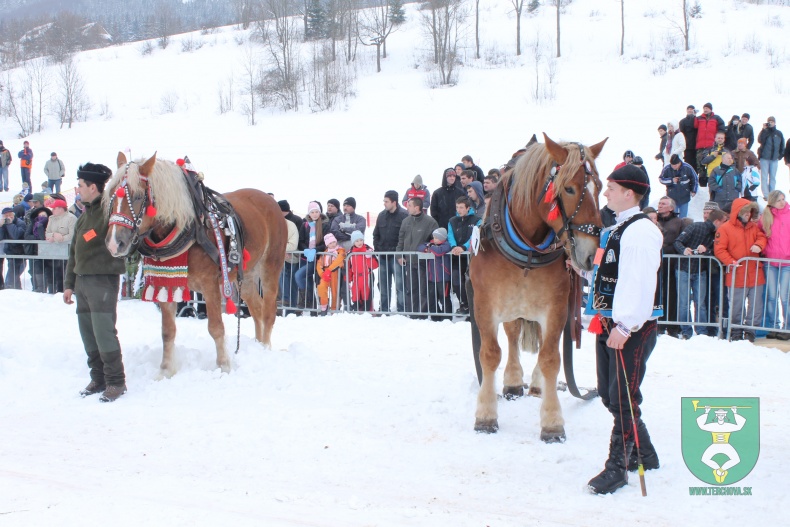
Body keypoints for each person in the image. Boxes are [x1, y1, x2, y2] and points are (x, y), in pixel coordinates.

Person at [577, 164, 662, 495]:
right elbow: (608, 275)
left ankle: (617, 467)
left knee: (624, 398)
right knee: (611, 395)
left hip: (630, 326)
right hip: (610, 321)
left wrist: (626, 326)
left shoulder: (640, 232)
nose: (605, 193)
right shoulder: (617, 228)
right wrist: (581, 272)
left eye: (610, 188)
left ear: (629, 194)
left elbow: (638, 282)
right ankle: (646, 453)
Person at [64, 163, 128, 402]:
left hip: (102, 281)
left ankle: (115, 381)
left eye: (80, 185)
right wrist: (69, 283)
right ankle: (98, 378)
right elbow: (73, 252)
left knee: (103, 333)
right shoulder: (84, 216)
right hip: (82, 283)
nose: (77, 189)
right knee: (88, 334)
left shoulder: (109, 213)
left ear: (93, 187)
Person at [713, 198, 767, 342]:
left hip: (755, 273)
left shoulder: (754, 227)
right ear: (738, 212)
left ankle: (751, 330)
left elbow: (762, 238)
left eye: (750, 212)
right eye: (745, 211)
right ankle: (736, 330)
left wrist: (759, 245)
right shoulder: (725, 229)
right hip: (736, 273)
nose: (748, 215)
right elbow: (719, 249)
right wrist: (731, 262)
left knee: (755, 306)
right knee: (736, 305)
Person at [673, 209, 728, 339]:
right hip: (684, 268)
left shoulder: (718, 234)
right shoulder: (695, 226)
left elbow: (716, 252)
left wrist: (707, 250)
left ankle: (701, 331)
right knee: (684, 302)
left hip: (700, 270)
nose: (725, 224)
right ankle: (686, 330)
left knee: (701, 302)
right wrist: (684, 250)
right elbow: (678, 241)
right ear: (717, 221)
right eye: (724, 221)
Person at [397, 197, 438, 317]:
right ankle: (413, 313)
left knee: (423, 289)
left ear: (417, 207)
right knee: (411, 289)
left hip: (423, 262)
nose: (407, 207)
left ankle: (423, 314)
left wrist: (427, 248)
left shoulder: (430, 222)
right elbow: (400, 241)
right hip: (409, 261)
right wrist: (399, 255)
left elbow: (436, 240)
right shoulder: (405, 221)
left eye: (409, 205)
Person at [760, 190, 790, 340]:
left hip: (786, 261)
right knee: (772, 296)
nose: (782, 202)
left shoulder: (789, 215)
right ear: (772, 202)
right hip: (771, 261)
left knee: (785, 296)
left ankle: (787, 327)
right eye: (779, 200)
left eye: (783, 199)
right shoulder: (765, 216)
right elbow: (759, 235)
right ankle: (773, 325)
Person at [373, 190, 408, 313]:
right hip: (383, 255)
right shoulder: (381, 215)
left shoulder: (404, 215)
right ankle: (383, 308)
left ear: (394, 202)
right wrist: (377, 248)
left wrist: (401, 253)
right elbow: (375, 234)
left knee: (400, 284)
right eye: (384, 201)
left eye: (386, 201)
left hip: (397, 256)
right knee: (383, 284)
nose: (384, 204)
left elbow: (406, 237)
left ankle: (402, 308)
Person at [448, 196, 481, 315]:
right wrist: (454, 247)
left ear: (468, 208)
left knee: (470, 281)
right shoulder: (452, 220)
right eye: (457, 207)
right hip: (457, 256)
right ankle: (464, 303)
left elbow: (474, 236)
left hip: (471, 257)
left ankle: (472, 306)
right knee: (456, 280)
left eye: (461, 207)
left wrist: (463, 247)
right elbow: (450, 235)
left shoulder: (477, 220)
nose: (459, 210)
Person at [295, 203, 330, 311]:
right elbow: (300, 241)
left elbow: (326, 242)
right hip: (306, 258)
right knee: (304, 279)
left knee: (317, 283)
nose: (314, 214)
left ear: (320, 212)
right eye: (312, 212)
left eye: (316, 212)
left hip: (319, 259)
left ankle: (320, 306)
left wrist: (315, 250)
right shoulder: (305, 224)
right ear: (309, 213)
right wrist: (306, 250)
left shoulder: (325, 224)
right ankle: (311, 305)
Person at [417, 227, 453, 321]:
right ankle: (435, 317)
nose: (434, 239)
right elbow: (420, 247)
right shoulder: (431, 243)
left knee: (444, 298)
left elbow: (439, 252)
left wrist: (430, 248)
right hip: (432, 277)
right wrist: (428, 247)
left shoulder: (446, 245)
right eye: (434, 237)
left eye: (437, 238)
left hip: (444, 278)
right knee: (432, 297)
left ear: (442, 238)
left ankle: (447, 317)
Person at [347, 230, 378, 312]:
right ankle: (357, 309)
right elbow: (349, 268)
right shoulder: (350, 253)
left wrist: (369, 258)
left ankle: (368, 309)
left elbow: (375, 265)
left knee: (367, 294)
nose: (359, 242)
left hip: (367, 276)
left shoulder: (368, 250)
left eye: (361, 240)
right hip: (356, 277)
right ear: (353, 242)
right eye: (357, 241)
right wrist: (348, 279)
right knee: (355, 294)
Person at [658, 154, 698, 218]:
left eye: (675, 165)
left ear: (679, 163)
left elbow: (695, 179)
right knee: (674, 218)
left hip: (685, 197)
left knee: (683, 217)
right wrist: (671, 180)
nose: (674, 167)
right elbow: (661, 179)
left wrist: (693, 190)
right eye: (672, 165)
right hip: (672, 198)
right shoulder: (667, 168)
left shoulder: (687, 167)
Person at [24, 203, 52, 293]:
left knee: (49, 271)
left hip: (48, 252)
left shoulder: (50, 223)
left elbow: (44, 237)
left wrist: (40, 228)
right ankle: (38, 288)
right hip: (35, 252)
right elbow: (27, 236)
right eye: (40, 215)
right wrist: (37, 238)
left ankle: (50, 290)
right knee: (35, 271)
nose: (42, 217)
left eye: (44, 215)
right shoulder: (33, 224)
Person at [315, 233, 345, 315]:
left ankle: (334, 308)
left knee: (335, 291)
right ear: (327, 244)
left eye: (333, 242)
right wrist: (322, 274)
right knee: (321, 287)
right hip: (325, 274)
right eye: (330, 243)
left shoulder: (340, 250)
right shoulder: (325, 253)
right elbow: (319, 264)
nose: (332, 244)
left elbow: (339, 261)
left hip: (335, 272)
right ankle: (324, 306)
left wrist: (329, 270)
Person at [757, 116, 784, 199]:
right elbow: (760, 140)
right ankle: (766, 195)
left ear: (775, 123)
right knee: (764, 177)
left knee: (772, 177)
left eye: (772, 121)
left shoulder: (779, 133)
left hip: (774, 159)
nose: (771, 123)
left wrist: (780, 155)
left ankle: (772, 195)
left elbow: (782, 145)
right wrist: (763, 129)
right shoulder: (765, 132)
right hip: (764, 158)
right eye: (769, 121)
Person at [694, 103, 726, 172]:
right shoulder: (699, 118)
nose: (705, 110)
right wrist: (694, 115)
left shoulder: (716, 117)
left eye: (707, 108)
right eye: (704, 108)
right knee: (700, 165)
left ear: (710, 109)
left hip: (712, 146)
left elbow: (722, 127)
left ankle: (711, 179)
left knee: (711, 163)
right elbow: (694, 126)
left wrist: (718, 137)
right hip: (701, 145)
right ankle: (702, 181)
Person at [1, 206, 26, 288]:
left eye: (10, 214)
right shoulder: (4, 224)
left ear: (13, 214)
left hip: (19, 251)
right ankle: (13, 288)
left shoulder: (20, 223)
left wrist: (10, 224)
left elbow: (16, 235)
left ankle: (12, 287)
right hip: (9, 251)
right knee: (13, 272)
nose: (8, 217)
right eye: (6, 215)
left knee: (15, 272)